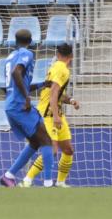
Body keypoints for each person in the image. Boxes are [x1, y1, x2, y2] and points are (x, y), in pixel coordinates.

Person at [0, 29, 56, 188]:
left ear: (15, 41)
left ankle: (8, 176)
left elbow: (15, 82)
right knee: (46, 139)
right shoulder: (28, 54)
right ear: (30, 41)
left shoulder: (9, 56)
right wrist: (26, 97)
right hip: (19, 105)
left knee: (35, 141)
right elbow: (16, 73)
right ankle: (48, 183)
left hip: (10, 105)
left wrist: (42, 85)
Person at [21, 43, 79, 188]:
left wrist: (70, 100)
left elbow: (57, 93)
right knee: (51, 150)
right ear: (71, 56)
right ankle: (27, 180)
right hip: (48, 115)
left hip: (56, 112)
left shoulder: (57, 67)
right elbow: (53, 93)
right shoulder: (61, 69)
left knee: (68, 150)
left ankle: (60, 182)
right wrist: (56, 117)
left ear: (57, 54)